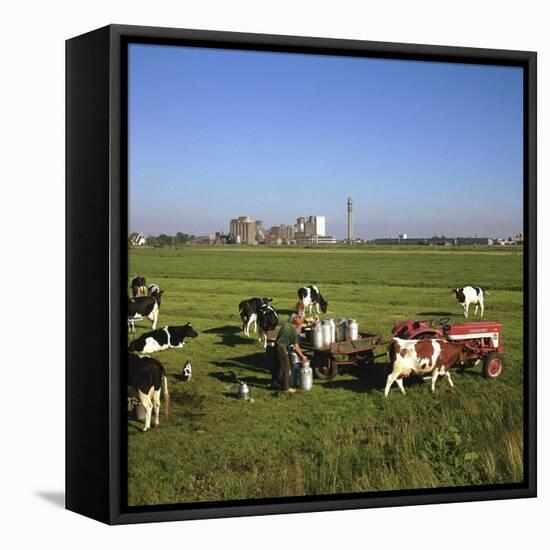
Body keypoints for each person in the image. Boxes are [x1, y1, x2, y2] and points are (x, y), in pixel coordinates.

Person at [274, 315, 308, 394]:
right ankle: (286, 388)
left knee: (278, 366)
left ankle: (276, 383)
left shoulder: (286, 325)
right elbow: (297, 347)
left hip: (275, 346)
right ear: (298, 325)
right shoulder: (293, 332)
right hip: (281, 348)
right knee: (287, 368)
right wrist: (302, 356)